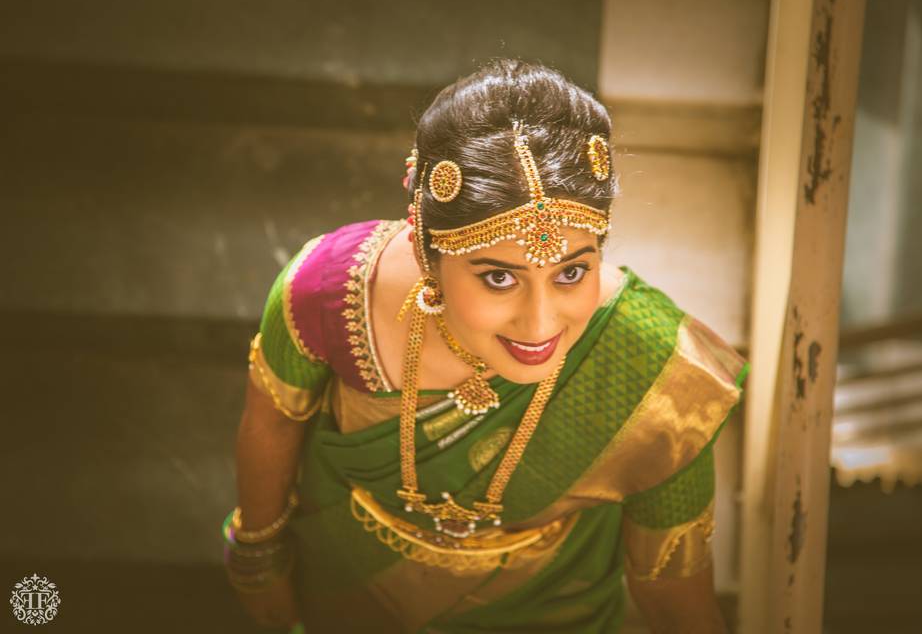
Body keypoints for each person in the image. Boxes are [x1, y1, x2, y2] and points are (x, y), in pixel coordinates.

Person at [222, 59, 749, 634]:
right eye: (499, 278)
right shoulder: (329, 293)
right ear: (429, 254)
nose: (540, 323)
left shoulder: (652, 373)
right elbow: (271, 424)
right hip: (347, 585)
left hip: (553, 606)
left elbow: (674, 595)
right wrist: (258, 563)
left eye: (571, 273)